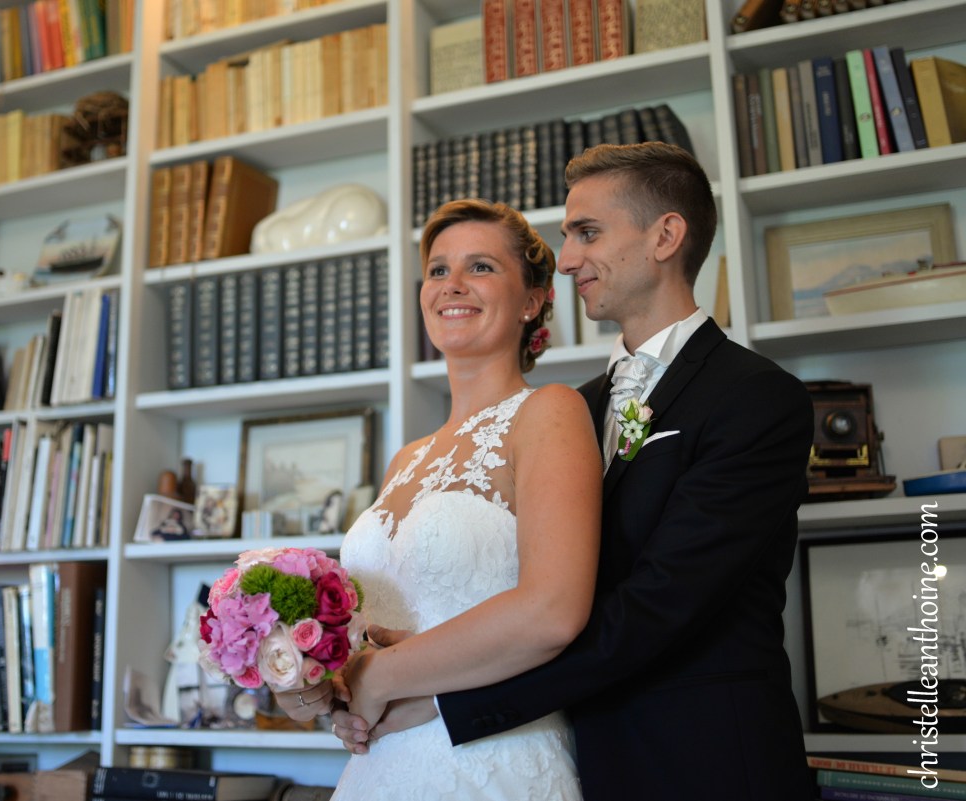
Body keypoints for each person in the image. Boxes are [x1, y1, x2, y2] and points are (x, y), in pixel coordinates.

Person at [330, 142, 816, 801]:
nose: (566, 259)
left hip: (703, 759)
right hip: (581, 752)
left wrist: (436, 693)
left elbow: (659, 605)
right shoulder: (571, 408)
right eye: (567, 237)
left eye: (587, 233)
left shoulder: (754, 396)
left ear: (665, 236)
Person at [276, 199, 602, 799]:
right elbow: (372, 636)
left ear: (532, 301)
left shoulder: (550, 412)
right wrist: (315, 684)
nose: (452, 284)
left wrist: (381, 676)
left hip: (493, 762)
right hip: (380, 768)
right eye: (437, 270)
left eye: (481, 267)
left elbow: (553, 611)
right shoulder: (405, 459)